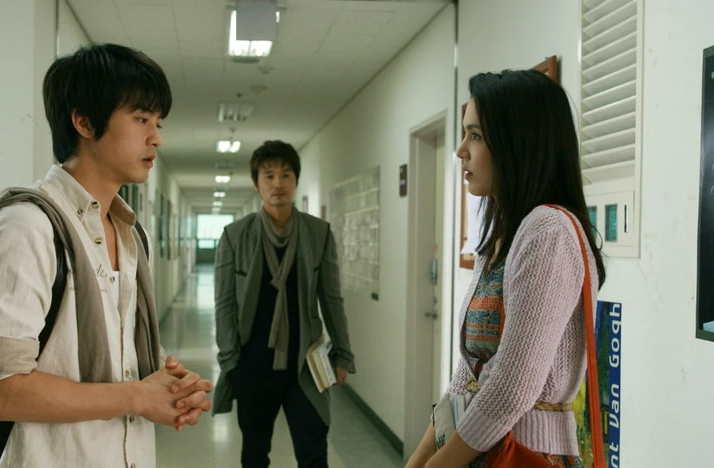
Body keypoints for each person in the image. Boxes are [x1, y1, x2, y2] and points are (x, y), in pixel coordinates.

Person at [0, 44, 213, 467]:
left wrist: (169, 385)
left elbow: (118, 356)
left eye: (158, 122)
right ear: (84, 122)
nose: (156, 138)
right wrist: (137, 397)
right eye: (141, 119)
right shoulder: (27, 228)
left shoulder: (130, 234)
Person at [406, 69, 607, 468]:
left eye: (475, 136)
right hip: (481, 449)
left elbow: (511, 388)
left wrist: (437, 465)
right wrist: (420, 459)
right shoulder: (502, 234)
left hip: (524, 454)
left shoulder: (548, 231)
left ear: (518, 143)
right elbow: (468, 376)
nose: (460, 150)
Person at [212, 140, 356, 468]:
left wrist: (343, 354)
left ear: (295, 180)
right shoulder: (235, 235)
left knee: (313, 452)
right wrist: (231, 360)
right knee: (254, 455)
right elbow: (224, 304)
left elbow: (332, 299)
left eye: (286, 174)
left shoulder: (319, 233)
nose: (278, 183)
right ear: (257, 184)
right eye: (269, 175)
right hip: (252, 364)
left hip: (306, 364)